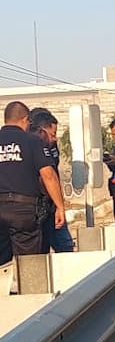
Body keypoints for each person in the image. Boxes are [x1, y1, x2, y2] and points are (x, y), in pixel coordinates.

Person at [0, 101, 65, 264]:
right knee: (29, 264)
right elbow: (48, 175)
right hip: (24, 210)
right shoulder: (32, 141)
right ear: (25, 119)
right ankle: (30, 288)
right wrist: (60, 206)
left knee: (2, 260)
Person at [29, 109, 74, 253]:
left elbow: (53, 175)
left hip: (52, 204)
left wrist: (58, 203)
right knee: (41, 249)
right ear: (40, 131)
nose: (54, 139)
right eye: (52, 134)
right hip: (38, 206)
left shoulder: (51, 146)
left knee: (65, 247)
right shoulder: (30, 146)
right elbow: (47, 176)